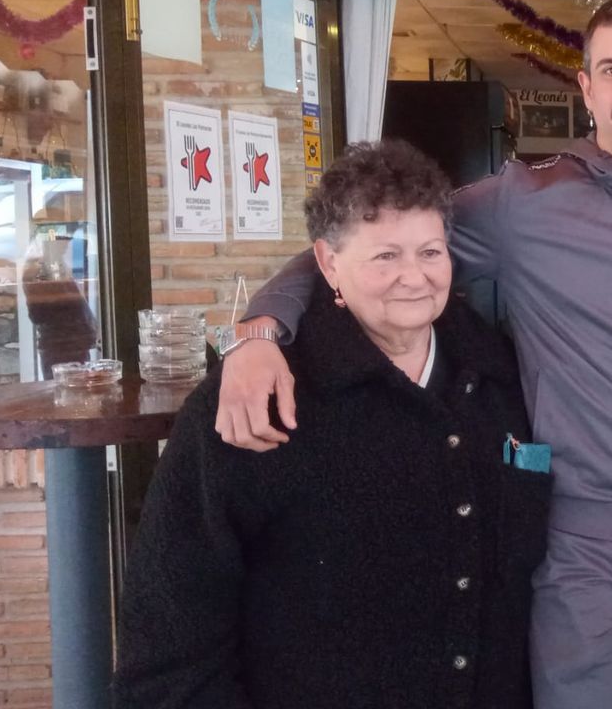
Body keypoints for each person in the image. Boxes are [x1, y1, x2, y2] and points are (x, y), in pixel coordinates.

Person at [212, 0, 612, 709]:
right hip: (581, 546)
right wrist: (260, 330)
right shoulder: (525, 203)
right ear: (587, 89)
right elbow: (369, 244)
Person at [113, 140, 549, 708]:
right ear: (327, 263)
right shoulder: (260, 398)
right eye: (385, 256)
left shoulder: (500, 379)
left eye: (430, 252)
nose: (414, 277)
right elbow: (172, 629)